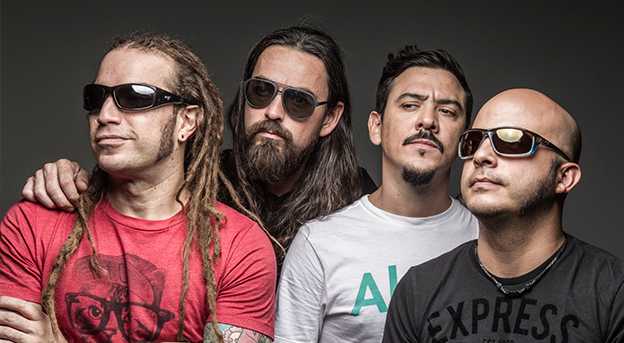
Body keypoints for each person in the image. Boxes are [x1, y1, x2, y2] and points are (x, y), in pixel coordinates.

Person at [0, 31, 276, 343]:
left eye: (134, 98)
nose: (105, 115)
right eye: (96, 98)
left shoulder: (240, 245)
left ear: (186, 121)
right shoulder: (33, 222)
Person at [20, 25, 376, 267]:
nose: (272, 111)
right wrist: (72, 177)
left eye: (299, 101)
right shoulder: (197, 178)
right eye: (260, 91)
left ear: (329, 118)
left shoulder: (359, 202)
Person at [373, 89, 624, 343]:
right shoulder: (417, 289)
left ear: (564, 177)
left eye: (512, 141)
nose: (481, 156)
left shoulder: (614, 295)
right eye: (473, 141)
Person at [265, 46, 479, 343]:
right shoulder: (321, 243)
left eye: (447, 111)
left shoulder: (486, 238)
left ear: (465, 139)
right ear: (376, 127)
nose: (428, 120)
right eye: (410, 105)